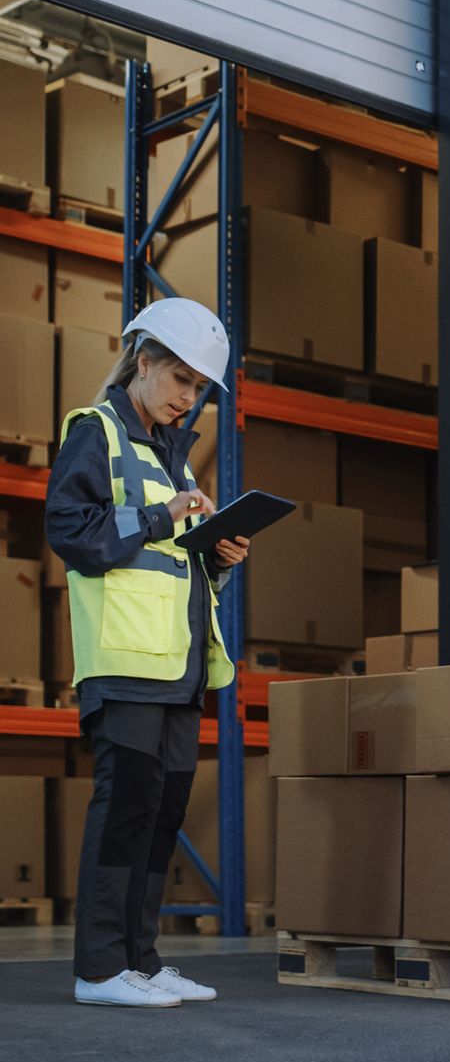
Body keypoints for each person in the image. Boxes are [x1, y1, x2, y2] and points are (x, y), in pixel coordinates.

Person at [45, 298, 250, 1008]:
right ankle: (100, 966)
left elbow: (169, 563)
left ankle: (140, 957)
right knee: (125, 808)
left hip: (176, 669)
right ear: (144, 359)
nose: (188, 397)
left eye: (199, 388)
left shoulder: (170, 454)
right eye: (181, 379)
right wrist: (168, 514)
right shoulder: (95, 431)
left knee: (160, 813)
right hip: (126, 664)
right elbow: (72, 528)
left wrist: (216, 556)